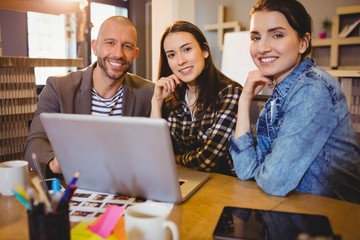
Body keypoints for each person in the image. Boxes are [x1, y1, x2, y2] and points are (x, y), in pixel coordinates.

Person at [229, 0, 360, 204]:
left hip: (332, 220)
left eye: (277, 35)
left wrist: (262, 172)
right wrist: (244, 100)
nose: (262, 47)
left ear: (303, 42)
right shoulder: (279, 95)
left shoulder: (312, 89)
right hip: (288, 213)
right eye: (255, 37)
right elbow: (245, 171)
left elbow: (273, 182)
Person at [25, 16, 154, 177]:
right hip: (74, 185)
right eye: (110, 43)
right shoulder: (58, 88)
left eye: (126, 46)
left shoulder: (149, 93)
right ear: (95, 46)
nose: (118, 53)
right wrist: (56, 164)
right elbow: (35, 143)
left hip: (128, 186)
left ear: (135, 54)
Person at [151, 21, 242, 176]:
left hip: (221, 186)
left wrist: (175, 158)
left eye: (186, 49)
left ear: (204, 51)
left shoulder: (230, 93)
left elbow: (208, 160)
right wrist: (156, 102)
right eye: (171, 55)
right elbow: (154, 153)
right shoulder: (172, 97)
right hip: (181, 180)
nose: (180, 61)